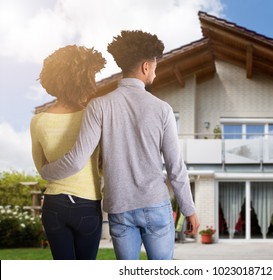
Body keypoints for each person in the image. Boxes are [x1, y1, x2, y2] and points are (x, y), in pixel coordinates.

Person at [40, 30, 200, 260]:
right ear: (146, 67)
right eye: (155, 65)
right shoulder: (162, 109)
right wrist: (189, 210)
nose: (155, 70)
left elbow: (77, 160)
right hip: (156, 205)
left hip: (120, 209)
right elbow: (176, 167)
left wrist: (47, 170)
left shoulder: (98, 106)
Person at [30, 45, 106, 259]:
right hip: (87, 204)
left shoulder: (38, 121)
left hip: (54, 205)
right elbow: (101, 165)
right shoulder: (92, 116)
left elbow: (42, 167)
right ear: (84, 79)